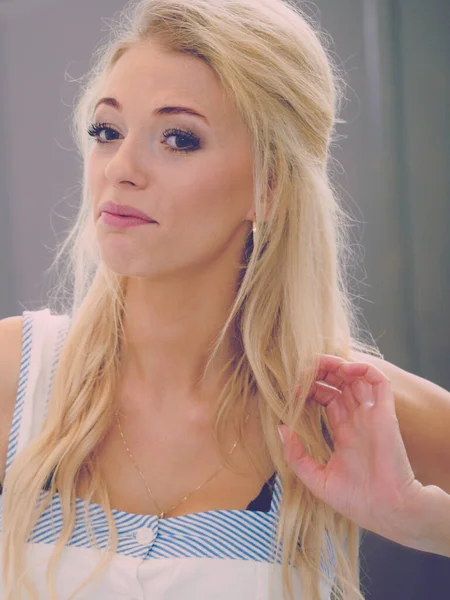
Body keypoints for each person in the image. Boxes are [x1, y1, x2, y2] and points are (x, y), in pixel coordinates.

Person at [0, 0, 448, 598]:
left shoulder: (349, 407)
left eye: (179, 139)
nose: (121, 168)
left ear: (268, 187)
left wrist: (417, 521)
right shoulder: (17, 377)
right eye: (107, 131)